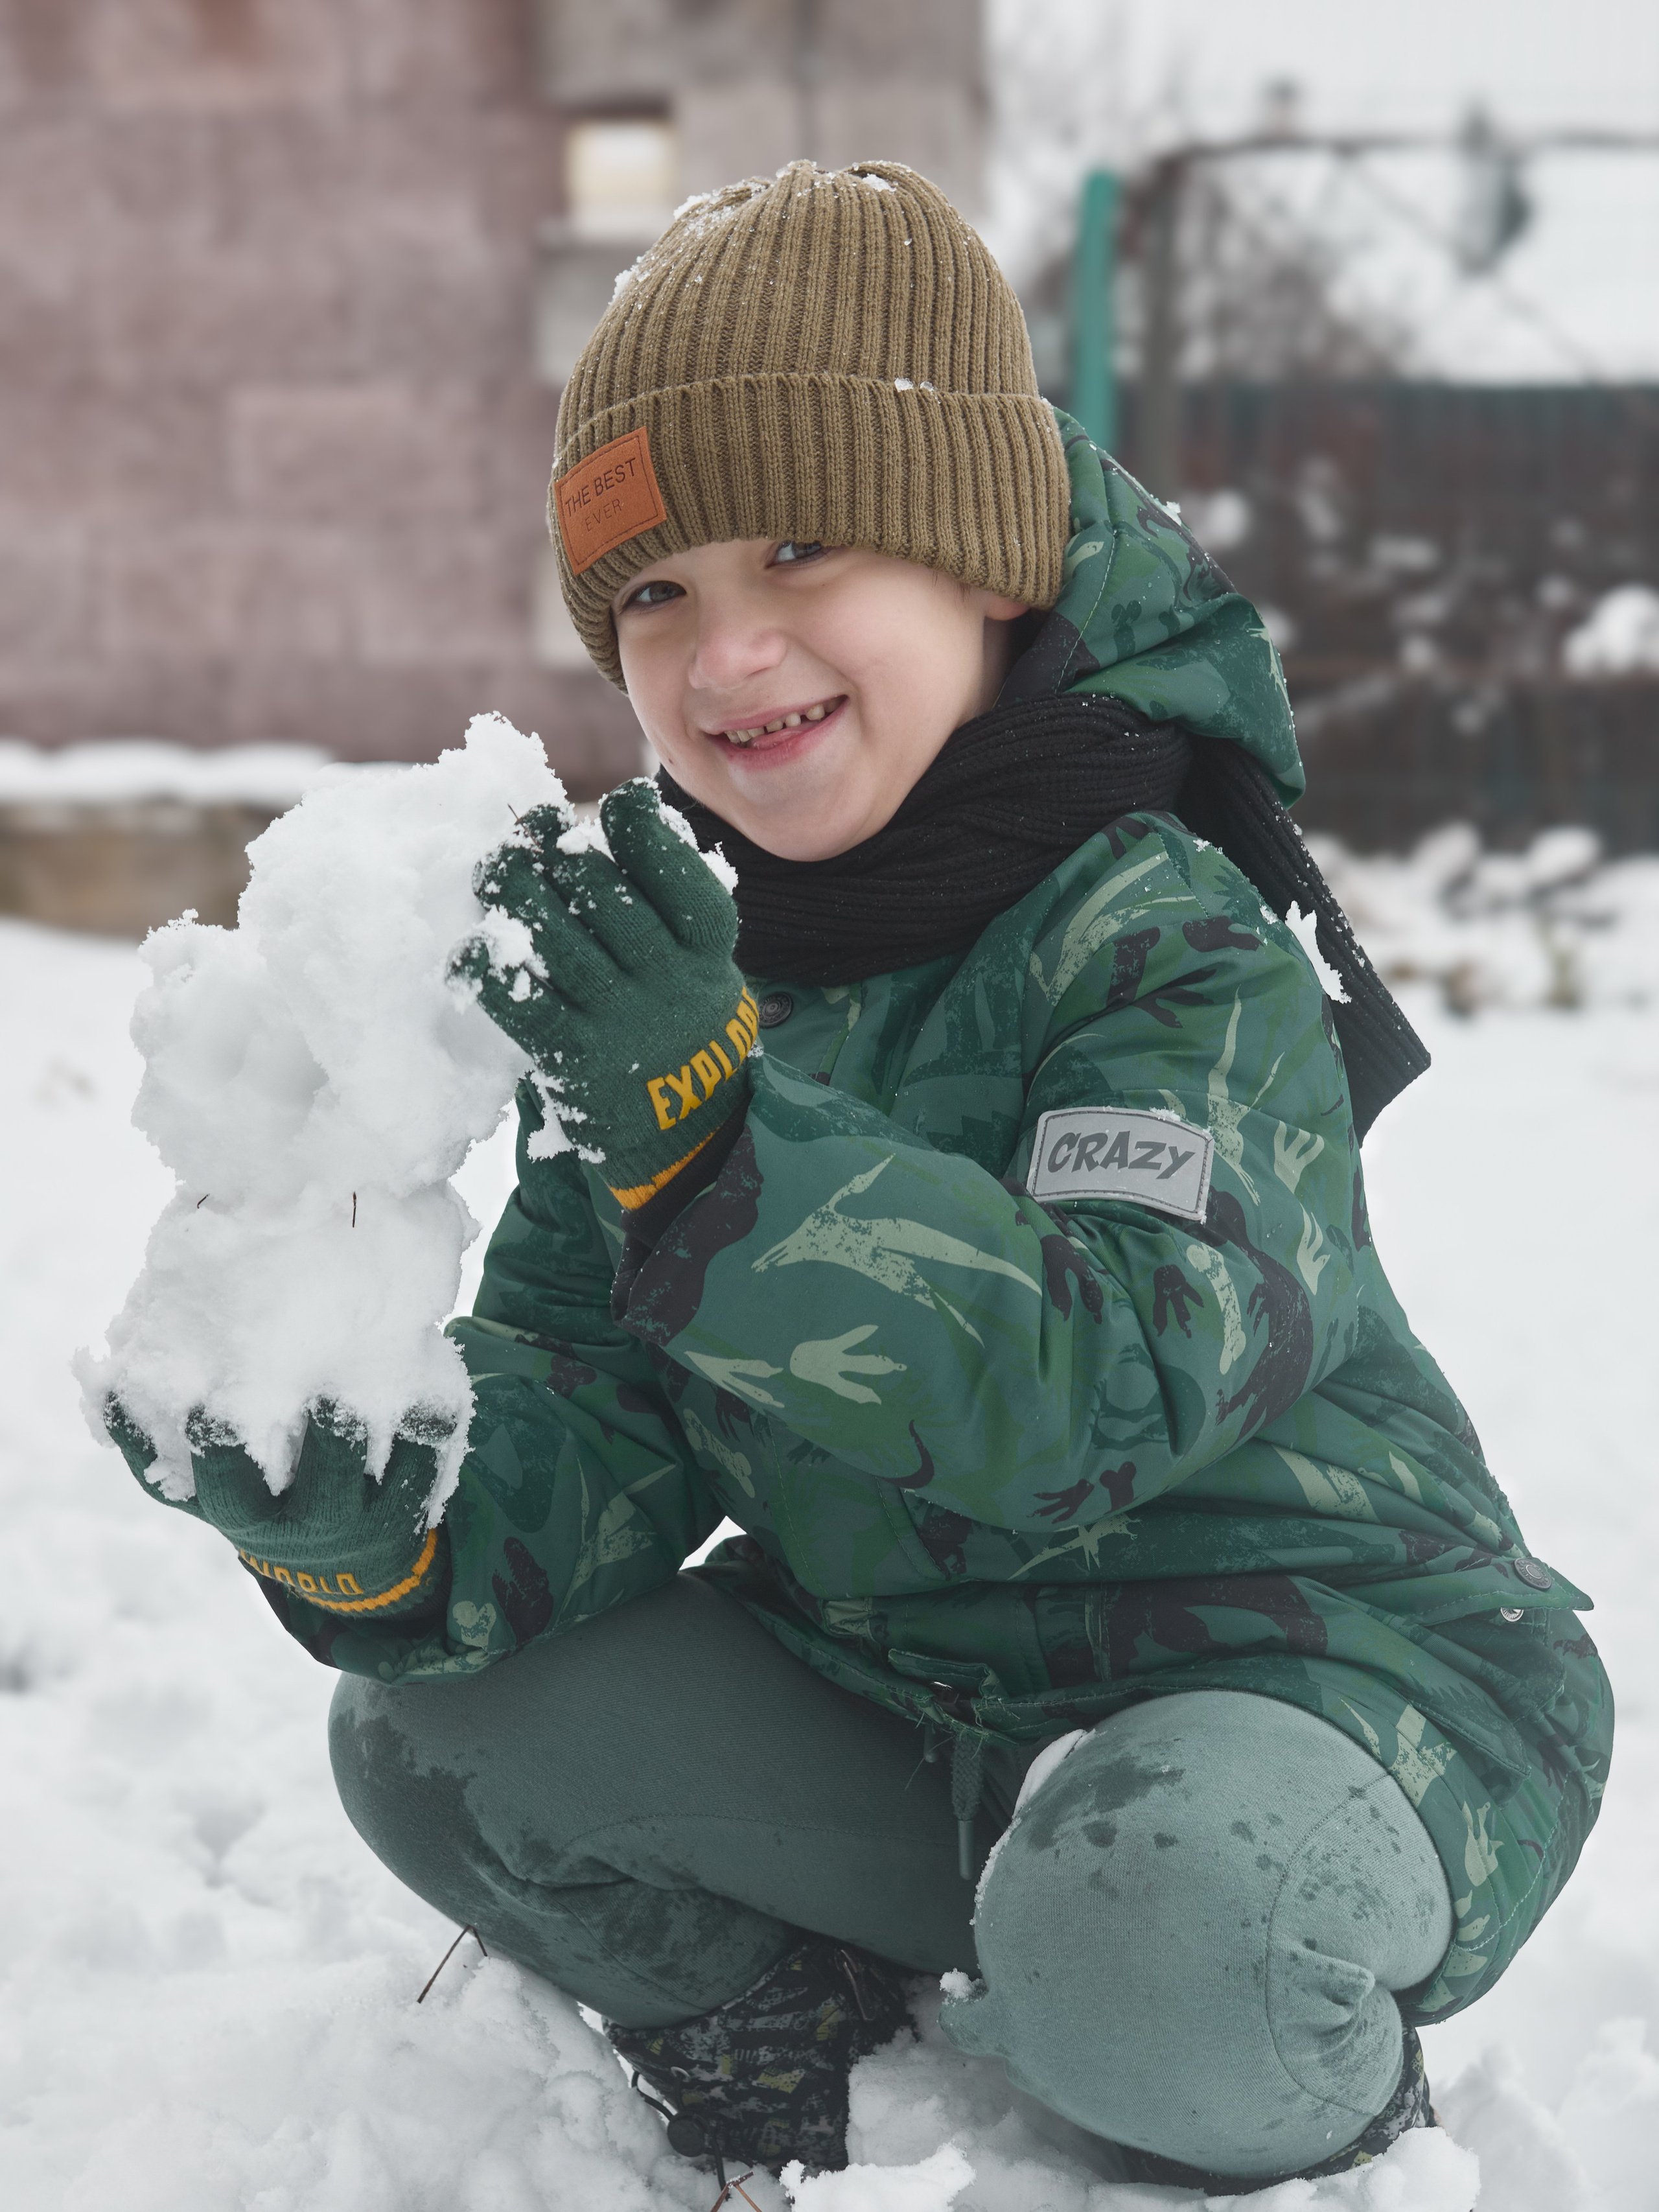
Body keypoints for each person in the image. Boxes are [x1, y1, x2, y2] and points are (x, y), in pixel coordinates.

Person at [108, 163, 1611, 2195]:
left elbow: (1089, 1396)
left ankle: (1282, 2077)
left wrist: (714, 1143)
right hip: (916, 1697)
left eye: (802, 547)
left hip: (1311, 1687)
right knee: (432, 1728)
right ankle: (786, 2000)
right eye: (653, 595)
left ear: (982, 563)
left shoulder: (1173, 939)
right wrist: (393, 1510)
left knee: (1163, 1940)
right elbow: (595, 1408)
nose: (729, 653)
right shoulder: (679, 979)